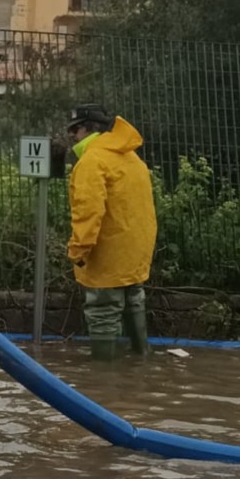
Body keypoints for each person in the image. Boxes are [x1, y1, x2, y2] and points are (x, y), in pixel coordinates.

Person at [64, 103, 157, 361]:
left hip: (107, 254)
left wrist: (79, 250)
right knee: (134, 300)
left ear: (90, 129)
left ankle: (103, 378)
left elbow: (88, 212)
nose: (72, 135)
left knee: (102, 310)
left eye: (76, 129)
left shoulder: (92, 162)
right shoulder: (130, 157)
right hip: (135, 253)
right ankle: (141, 359)